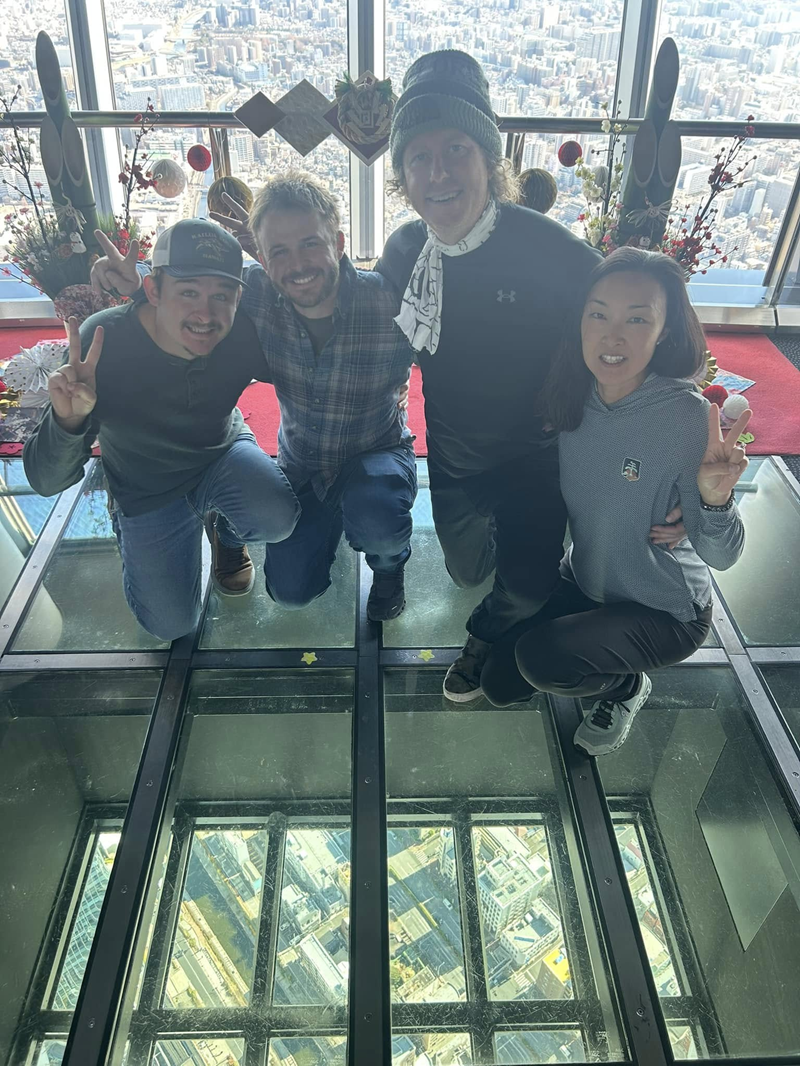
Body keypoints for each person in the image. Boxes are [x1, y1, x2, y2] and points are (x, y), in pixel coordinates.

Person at [375, 49, 605, 700]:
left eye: (456, 149)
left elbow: (637, 305)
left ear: (488, 159)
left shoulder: (545, 247)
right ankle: (531, 576)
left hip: (537, 457)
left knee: (524, 585)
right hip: (453, 456)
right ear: (402, 175)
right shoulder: (403, 251)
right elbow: (354, 324)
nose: (438, 171)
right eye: (419, 156)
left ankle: (489, 631)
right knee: (463, 570)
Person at [95, 174, 416, 621]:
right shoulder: (256, 296)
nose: (297, 264)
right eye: (279, 252)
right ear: (262, 260)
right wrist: (136, 282)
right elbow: (199, 290)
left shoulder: (391, 304)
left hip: (377, 450)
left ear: (339, 243)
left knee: (379, 516)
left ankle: (387, 568)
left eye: (310, 244)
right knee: (290, 594)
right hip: (304, 464)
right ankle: (233, 529)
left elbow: (451, 348)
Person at [480, 248, 750, 756]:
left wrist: (714, 503)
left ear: (664, 331)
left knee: (543, 660)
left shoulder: (686, 420)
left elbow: (724, 557)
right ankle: (606, 662)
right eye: (598, 313)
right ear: (579, 319)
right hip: (588, 580)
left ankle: (627, 686)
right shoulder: (569, 394)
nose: (612, 335)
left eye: (637, 319)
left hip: (666, 610)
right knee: (499, 683)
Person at [24, 220, 300, 641]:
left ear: (238, 297)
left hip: (218, 452)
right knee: (172, 625)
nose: (205, 314)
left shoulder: (242, 330)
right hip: (144, 486)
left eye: (220, 296)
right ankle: (134, 534)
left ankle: (225, 532)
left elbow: (309, 356)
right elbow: (45, 481)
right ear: (153, 291)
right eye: (188, 292)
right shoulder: (102, 342)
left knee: (278, 517)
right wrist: (69, 421)